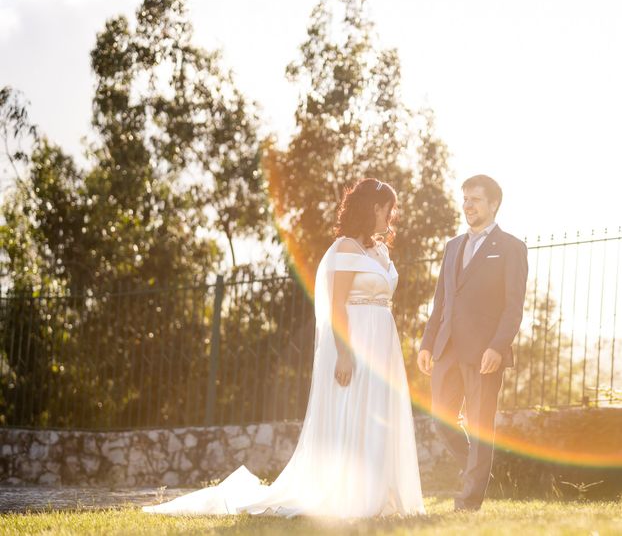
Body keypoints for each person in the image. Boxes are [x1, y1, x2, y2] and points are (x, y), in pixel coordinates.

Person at [142, 178, 425, 518]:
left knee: (377, 414)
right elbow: (336, 307)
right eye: (388, 209)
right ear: (374, 208)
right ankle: (352, 493)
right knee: (352, 411)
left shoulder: (381, 251)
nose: (390, 217)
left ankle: (382, 492)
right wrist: (345, 354)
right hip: (356, 340)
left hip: (383, 341)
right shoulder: (346, 248)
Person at [417, 174, 528, 512]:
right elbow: (441, 302)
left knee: (480, 426)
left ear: (493, 204)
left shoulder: (512, 248)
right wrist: (426, 343)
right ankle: (477, 471)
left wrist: (497, 346)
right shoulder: (452, 247)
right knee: (440, 419)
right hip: (447, 348)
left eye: (475, 199)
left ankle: (468, 500)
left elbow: (513, 306)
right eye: (465, 199)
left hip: (485, 353)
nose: (468, 205)